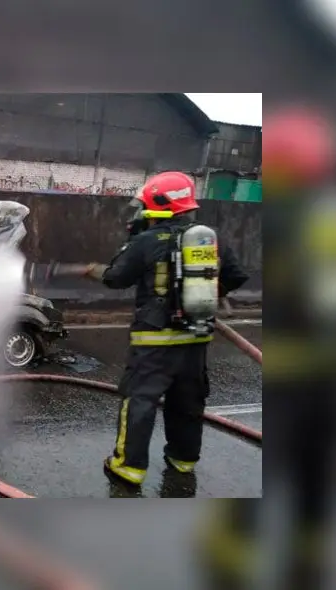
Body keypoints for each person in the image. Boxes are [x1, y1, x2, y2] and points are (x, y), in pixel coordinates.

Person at [80, 171, 249, 487]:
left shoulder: (147, 241)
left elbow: (116, 278)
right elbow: (238, 275)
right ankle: (182, 461)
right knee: (188, 401)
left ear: (158, 205)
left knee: (140, 399)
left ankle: (127, 467)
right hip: (196, 337)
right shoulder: (210, 238)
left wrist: (94, 270)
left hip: (154, 340)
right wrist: (210, 293)